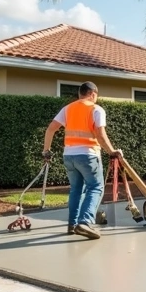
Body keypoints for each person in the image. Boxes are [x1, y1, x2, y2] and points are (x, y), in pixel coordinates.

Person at [42, 81, 123, 240]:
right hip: (88, 155)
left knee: (76, 190)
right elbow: (100, 134)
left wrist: (46, 150)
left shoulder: (68, 108)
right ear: (93, 94)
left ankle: (72, 225)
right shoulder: (96, 109)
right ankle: (85, 222)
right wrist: (112, 151)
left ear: (80, 94)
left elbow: (51, 128)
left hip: (69, 156)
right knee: (96, 187)